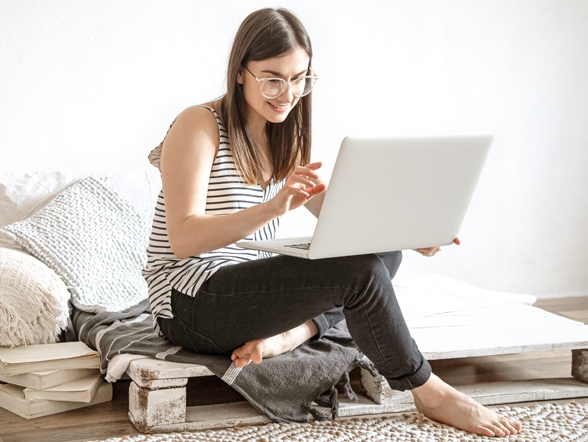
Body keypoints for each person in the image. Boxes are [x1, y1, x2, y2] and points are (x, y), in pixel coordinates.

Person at [142, 7, 522, 438]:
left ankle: (292, 335)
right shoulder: (199, 123)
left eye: (299, 78)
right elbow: (183, 237)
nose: (287, 93)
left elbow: (342, 219)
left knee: (381, 254)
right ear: (241, 72)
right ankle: (428, 389)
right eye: (272, 77)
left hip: (239, 292)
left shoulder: (282, 132)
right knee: (360, 274)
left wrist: (415, 231)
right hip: (189, 301)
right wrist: (272, 208)